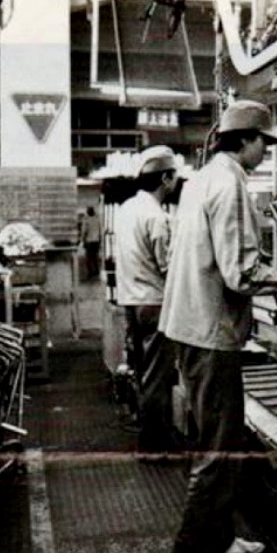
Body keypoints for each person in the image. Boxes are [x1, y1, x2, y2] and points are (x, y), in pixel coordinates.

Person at [159, 99, 277, 553]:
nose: (265, 152)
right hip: (209, 334)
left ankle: (220, 540)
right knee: (217, 453)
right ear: (246, 140)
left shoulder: (200, 179)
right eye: (263, 144)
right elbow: (241, 274)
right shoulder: (230, 184)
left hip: (189, 327)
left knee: (218, 442)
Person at [114, 145, 181, 457]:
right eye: (174, 177)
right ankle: (155, 445)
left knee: (142, 374)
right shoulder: (158, 217)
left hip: (130, 302)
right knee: (158, 378)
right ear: (165, 178)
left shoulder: (127, 209)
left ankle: (148, 435)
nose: (176, 183)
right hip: (155, 304)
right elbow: (168, 268)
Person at [80, 205, 102, 279]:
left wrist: (82, 240)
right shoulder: (97, 219)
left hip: (89, 241)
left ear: (88, 212)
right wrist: (100, 241)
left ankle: (90, 272)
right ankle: (96, 270)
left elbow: (84, 231)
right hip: (96, 241)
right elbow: (100, 230)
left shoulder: (86, 220)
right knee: (95, 256)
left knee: (88, 257)